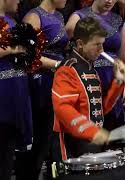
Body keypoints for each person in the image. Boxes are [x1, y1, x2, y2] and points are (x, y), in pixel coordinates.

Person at [52, 16, 125, 160]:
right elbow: (63, 109)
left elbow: (100, 109)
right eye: (97, 44)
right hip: (72, 143)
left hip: (91, 141)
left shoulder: (91, 69)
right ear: (80, 43)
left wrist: (117, 82)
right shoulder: (68, 69)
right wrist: (92, 131)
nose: (101, 50)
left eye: (102, 44)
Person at [66, 0, 125, 132]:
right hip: (89, 77)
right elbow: (69, 50)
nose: (110, 1)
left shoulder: (118, 20)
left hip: (113, 79)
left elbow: (123, 56)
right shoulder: (78, 17)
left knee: (113, 130)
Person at [22, 0, 69, 179]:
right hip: (41, 81)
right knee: (41, 137)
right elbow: (28, 55)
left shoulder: (59, 15)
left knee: (53, 137)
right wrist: (58, 64)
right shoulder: (34, 16)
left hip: (59, 79)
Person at [0, 1, 31, 180]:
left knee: (7, 157)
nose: (19, 1)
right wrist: (13, 48)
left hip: (16, 92)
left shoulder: (13, 22)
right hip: (3, 94)